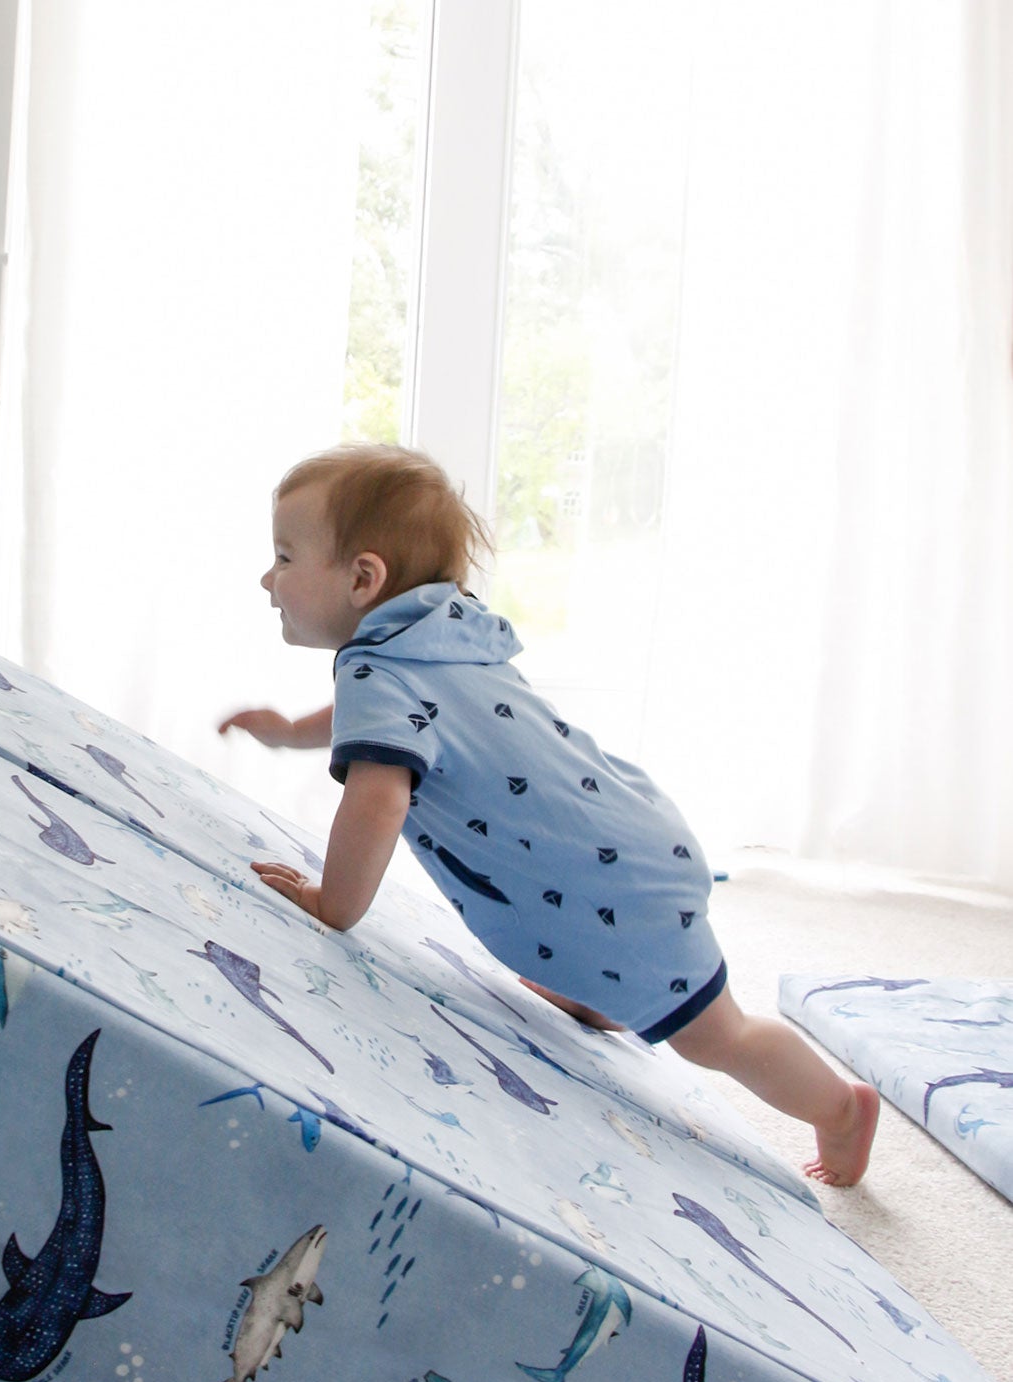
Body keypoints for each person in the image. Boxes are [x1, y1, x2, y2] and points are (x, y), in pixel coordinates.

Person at [219, 443, 878, 1187]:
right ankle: (606, 997)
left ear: (363, 578)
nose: (268, 579)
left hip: (618, 883)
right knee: (635, 982)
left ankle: (839, 1109)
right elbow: (396, 718)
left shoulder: (375, 670)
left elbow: (380, 795)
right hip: (623, 837)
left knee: (720, 1035)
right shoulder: (436, 631)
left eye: (284, 557)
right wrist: (290, 732)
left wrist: (332, 903)